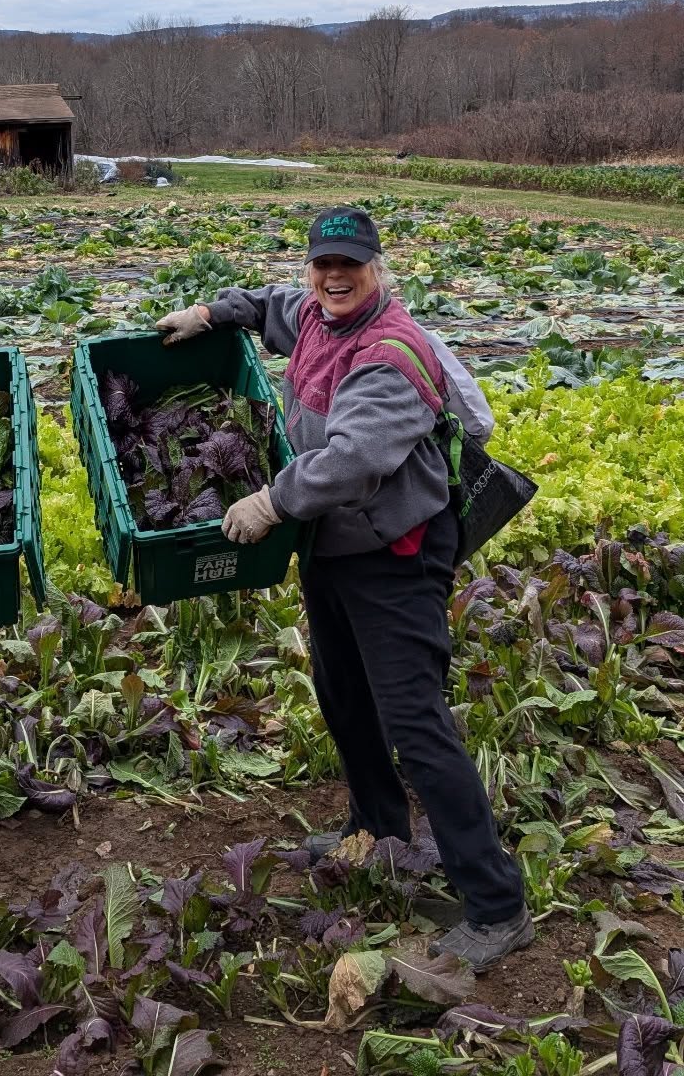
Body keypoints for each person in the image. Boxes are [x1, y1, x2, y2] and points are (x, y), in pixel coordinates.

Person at [156, 206, 532, 972]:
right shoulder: (318, 314)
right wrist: (209, 312)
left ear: (377, 269)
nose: (334, 278)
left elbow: (355, 458)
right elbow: (268, 305)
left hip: (397, 555)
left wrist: (271, 501)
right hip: (335, 545)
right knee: (344, 695)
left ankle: (497, 904)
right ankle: (378, 830)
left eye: (349, 266)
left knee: (416, 724)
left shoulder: (391, 352)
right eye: (323, 264)